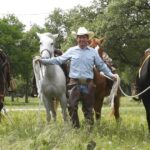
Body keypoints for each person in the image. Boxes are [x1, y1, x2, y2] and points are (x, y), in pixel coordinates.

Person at [35, 27, 118, 128]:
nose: (82, 39)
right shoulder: (71, 51)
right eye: (80, 37)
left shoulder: (93, 52)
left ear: (87, 39)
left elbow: (101, 65)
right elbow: (59, 60)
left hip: (88, 83)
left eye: (84, 37)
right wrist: (43, 61)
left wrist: (111, 75)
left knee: (88, 108)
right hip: (74, 83)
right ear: (77, 39)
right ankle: (76, 128)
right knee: (72, 106)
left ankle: (89, 128)